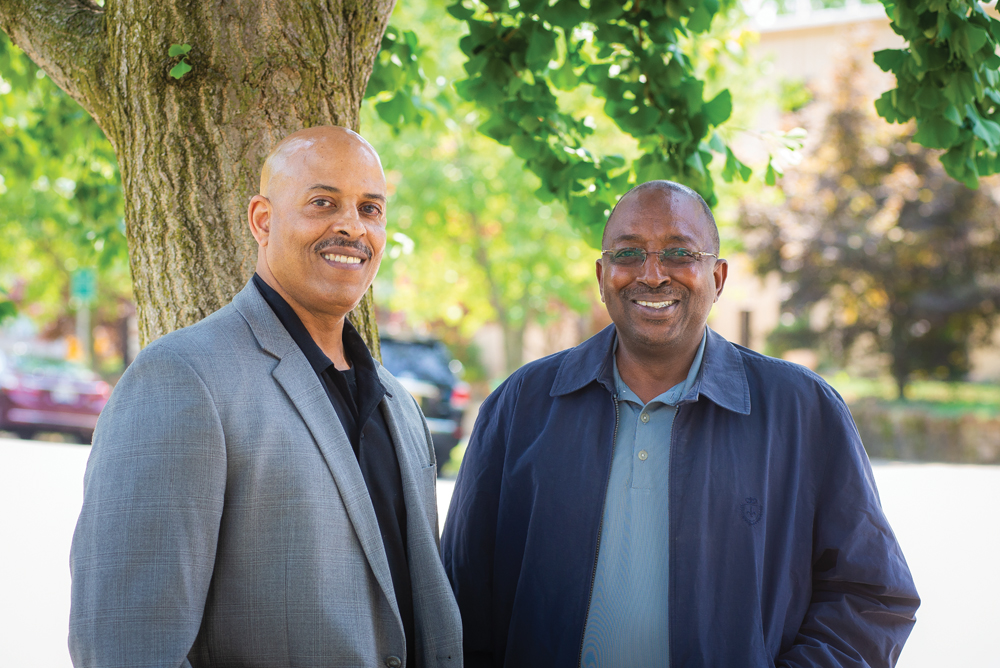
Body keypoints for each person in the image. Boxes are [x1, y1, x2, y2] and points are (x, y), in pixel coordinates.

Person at [441, 180, 919, 668]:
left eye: (679, 252)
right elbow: (458, 594)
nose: (652, 275)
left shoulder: (803, 410)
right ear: (602, 275)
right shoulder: (521, 405)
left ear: (718, 277)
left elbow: (872, 597)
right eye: (628, 254)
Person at [69, 126, 462, 668]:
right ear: (262, 220)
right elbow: (127, 646)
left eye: (370, 209)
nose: (351, 225)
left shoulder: (400, 406)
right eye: (323, 202)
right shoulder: (182, 378)